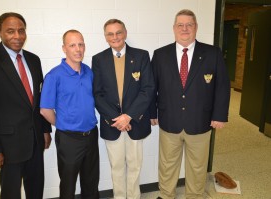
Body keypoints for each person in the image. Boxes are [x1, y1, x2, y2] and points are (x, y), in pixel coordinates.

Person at [150, 9, 231, 199]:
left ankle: (194, 195)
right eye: (180, 25)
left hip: (201, 121)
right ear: (174, 28)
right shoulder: (160, 55)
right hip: (169, 120)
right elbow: (151, 87)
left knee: (197, 165)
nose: (185, 29)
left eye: (189, 25)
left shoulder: (213, 53)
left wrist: (219, 115)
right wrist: (152, 113)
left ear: (196, 27)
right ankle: (166, 194)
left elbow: (222, 86)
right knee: (167, 164)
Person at [0, 12, 52, 199]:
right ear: (0, 32)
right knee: (10, 193)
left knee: (36, 189)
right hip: (8, 146)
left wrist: (45, 129)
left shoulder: (34, 59)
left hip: (35, 141)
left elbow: (39, 100)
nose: (17, 36)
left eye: (21, 31)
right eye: (10, 31)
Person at [92, 19, 155, 199]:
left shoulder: (142, 56)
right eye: (110, 34)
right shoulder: (98, 59)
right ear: (105, 37)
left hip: (136, 121)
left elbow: (148, 89)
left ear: (125, 33)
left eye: (118, 32)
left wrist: (128, 116)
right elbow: (97, 94)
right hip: (112, 124)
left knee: (135, 166)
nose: (115, 37)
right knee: (117, 167)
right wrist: (117, 119)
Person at [40, 29, 99, 199]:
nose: (77, 49)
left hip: (91, 135)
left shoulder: (89, 72)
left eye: (80, 44)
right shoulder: (54, 75)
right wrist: (63, 124)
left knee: (91, 181)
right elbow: (45, 110)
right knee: (68, 184)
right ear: (64, 48)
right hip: (69, 139)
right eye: (72, 45)